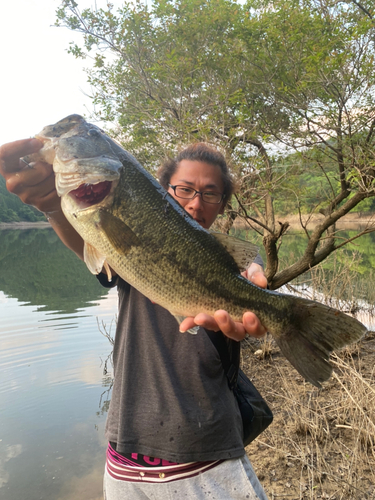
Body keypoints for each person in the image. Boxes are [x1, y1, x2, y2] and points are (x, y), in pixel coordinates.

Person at [0, 138, 269, 500]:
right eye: (185, 189)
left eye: (210, 193)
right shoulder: (131, 246)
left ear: (222, 203)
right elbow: (88, 245)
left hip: (207, 453)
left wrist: (262, 303)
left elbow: (253, 270)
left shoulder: (234, 263)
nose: (195, 202)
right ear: (163, 192)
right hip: (124, 453)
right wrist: (52, 206)